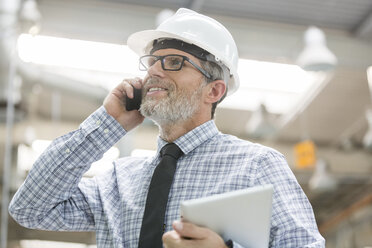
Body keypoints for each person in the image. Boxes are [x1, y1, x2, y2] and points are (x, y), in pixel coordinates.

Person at [9, 8, 325, 248]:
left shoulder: (257, 166)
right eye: (152, 61)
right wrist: (108, 124)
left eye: (174, 62)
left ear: (214, 91)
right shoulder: (119, 181)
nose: (153, 72)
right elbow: (31, 209)